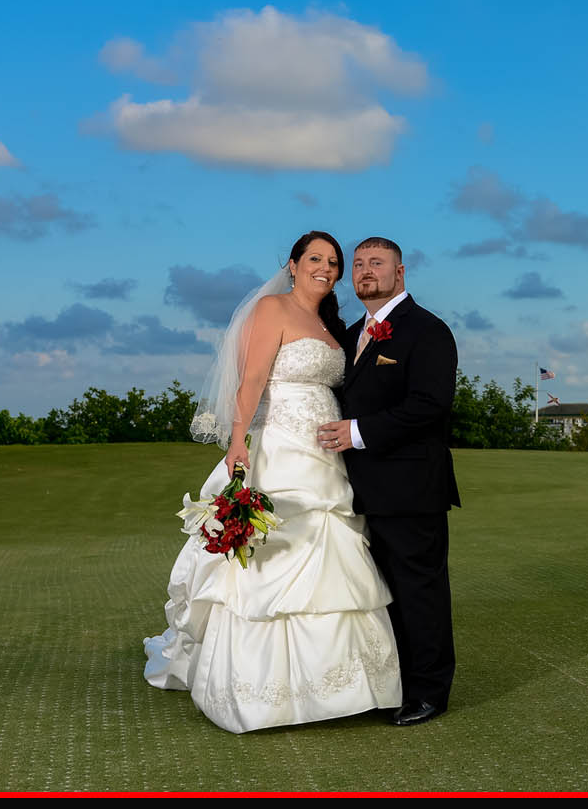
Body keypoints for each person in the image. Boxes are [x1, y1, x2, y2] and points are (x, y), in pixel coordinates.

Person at [143, 231, 402, 733]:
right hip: (280, 448)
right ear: (292, 265)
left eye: (333, 262)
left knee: (333, 556)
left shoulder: (335, 327)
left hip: (326, 456)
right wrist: (237, 442)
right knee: (271, 559)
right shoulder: (271, 309)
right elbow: (252, 380)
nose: (325, 268)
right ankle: (262, 694)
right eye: (315, 258)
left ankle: (341, 688)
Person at [316, 237, 460, 726]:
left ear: (400, 272)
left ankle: (429, 692)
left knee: (419, 592)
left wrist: (357, 432)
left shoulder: (428, 330)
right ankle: (392, 683)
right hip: (356, 489)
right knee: (381, 594)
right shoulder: (351, 333)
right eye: (358, 264)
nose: (365, 271)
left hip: (410, 487)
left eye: (376, 263)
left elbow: (430, 404)